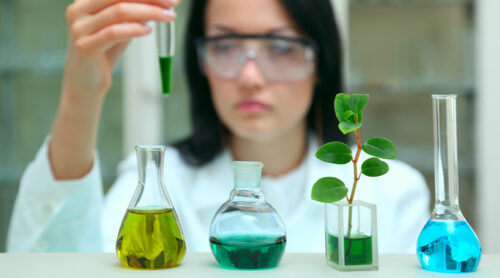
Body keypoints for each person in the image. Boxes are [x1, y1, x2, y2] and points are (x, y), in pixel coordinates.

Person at [7, 0, 429, 253]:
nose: (249, 76)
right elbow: (52, 261)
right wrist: (79, 99)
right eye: (224, 46)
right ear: (199, 61)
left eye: (280, 46)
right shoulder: (161, 183)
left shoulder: (388, 192)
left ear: (321, 62)